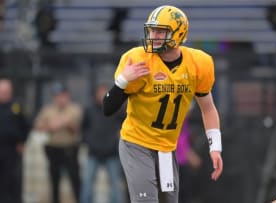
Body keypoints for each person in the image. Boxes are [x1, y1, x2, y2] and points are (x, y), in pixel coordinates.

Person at [102, 5, 223, 203]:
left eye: (161, 31)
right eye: (152, 30)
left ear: (179, 33)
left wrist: (215, 147)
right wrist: (123, 81)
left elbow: (208, 108)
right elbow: (107, 108)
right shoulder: (138, 60)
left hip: (166, 147)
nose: (154, 35)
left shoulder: (198, 63)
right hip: (137, 143)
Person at [34, 82, 83, 203]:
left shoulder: (74, 109)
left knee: (75, 180)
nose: (60, 98)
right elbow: (38, 126)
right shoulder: (48, 110)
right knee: (54, 180)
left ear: (67, 96)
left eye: (62, 95)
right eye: (57, 96)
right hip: (53, 149)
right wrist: (51, 126)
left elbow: (79, 127)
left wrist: (66, 123)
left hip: (70, 149)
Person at [80, 83, 127, 203]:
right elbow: (83, 128)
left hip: (112, 152)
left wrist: (118, 139)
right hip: (93, 152)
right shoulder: (89, 110)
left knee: (116, 183)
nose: (101, 95)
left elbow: (127, 124)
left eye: (104, 92)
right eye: (99, 92)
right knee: (87, 182)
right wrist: (89, 141)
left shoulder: (117, 109)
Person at [0, 78, 30, 203]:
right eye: (1, 91)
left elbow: (27, 125)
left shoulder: (18, 106)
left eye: (6, 91)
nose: (4, 94)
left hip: (13, 149)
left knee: (14, 179)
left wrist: (22, 142)